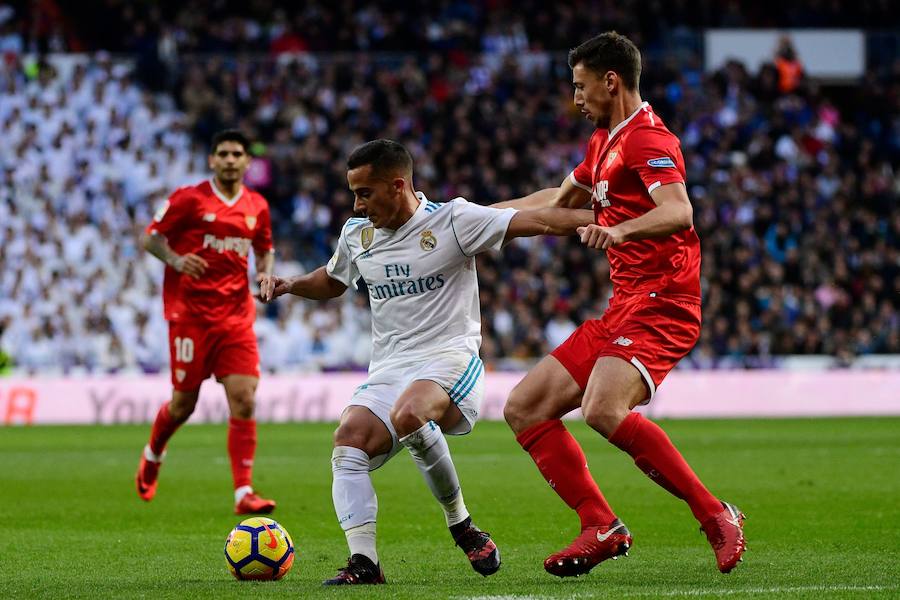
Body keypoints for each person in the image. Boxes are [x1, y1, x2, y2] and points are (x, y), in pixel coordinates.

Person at [260, 139, 594, 585]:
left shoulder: (453, 220)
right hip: (390, 366)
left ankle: (462, 525)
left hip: (450, 360)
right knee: (348, 441)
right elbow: (333, 279)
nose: (357, 204)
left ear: (397, 186)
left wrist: (619, 222)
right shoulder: (356, 234)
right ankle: (365, 564)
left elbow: (539, 221)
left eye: (365, 192)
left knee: (410, 413)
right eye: (353, 192)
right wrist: (290, 284)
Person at [495, 32, 747, 576]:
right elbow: (556, 202)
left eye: (581, 87)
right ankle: (600, 525)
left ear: (612, 81)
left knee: (603, 410)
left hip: (665, 301)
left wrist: (621, 231)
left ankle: (715, 514)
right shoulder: (603, 142)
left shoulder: (648, 140)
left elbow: (679, 212)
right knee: (524, 407)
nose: (576, 98)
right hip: (624, 305)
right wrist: (473, 217)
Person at [135, 129, 278, 515]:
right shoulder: (189, 199)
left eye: (237, 154)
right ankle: (153, 453)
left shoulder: (256, 207)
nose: (231, 160)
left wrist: (265, 274)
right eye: (223, 153)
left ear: (248, 162)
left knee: (245, 400)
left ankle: (243, 491)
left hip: (235, 317)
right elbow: (151, 237)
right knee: (183, 405)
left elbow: (264, 249)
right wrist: (178, 261)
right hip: (191, 317)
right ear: (212, 160)